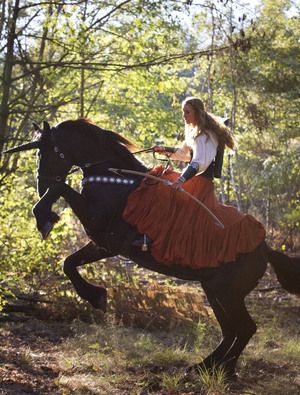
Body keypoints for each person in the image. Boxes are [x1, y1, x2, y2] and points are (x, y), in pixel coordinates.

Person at [123, 97, 266, 269]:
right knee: (159, 181)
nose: (184, 116)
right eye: (183, 112)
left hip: (200, 184)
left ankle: (150, 237)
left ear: (197, 113)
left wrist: (182, 179)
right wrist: (164, 150)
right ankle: (147, 236)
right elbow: (184, 154)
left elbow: (200, 162)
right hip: (193, 179)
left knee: (160, 186)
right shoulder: (193, 132)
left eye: (187, 112)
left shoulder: (205, 135)